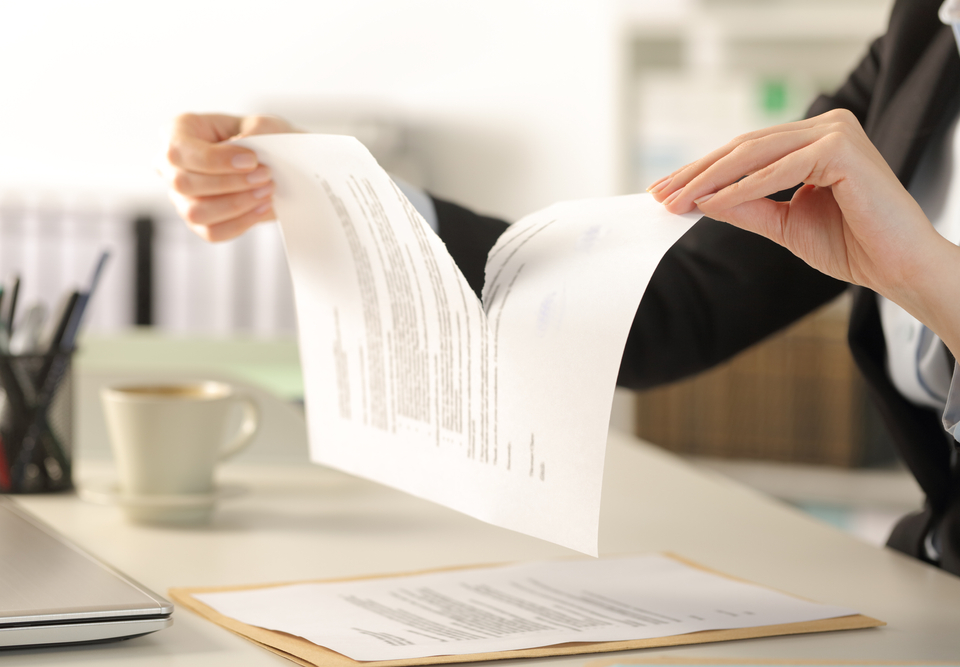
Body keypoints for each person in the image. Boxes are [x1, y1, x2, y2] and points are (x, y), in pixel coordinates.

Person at [161, 0, 960, 576]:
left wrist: (928, 278)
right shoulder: (925, 31)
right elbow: (668, 308)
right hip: (921, 576)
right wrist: (345, 188)